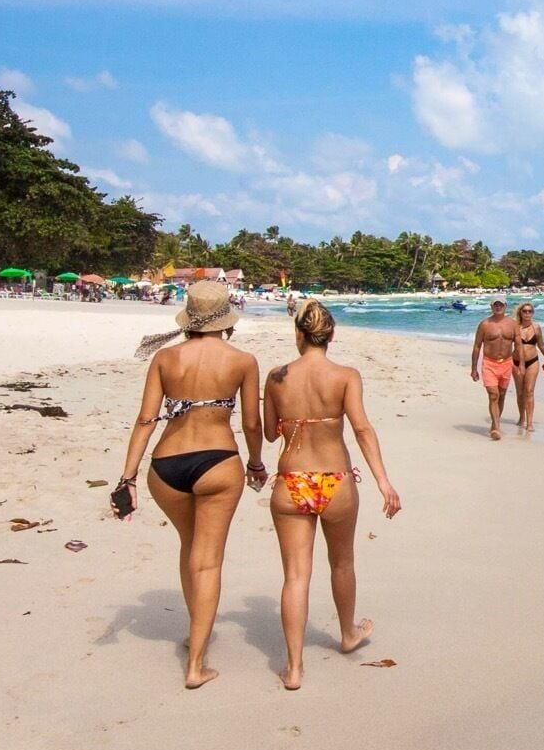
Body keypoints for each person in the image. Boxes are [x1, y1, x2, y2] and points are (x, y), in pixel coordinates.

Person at [111, 280, 264, 689]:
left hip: (166, 465)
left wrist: (127, 477)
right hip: (218, 462)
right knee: (209, 559)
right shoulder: (243, 361)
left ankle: (194, 629)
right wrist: (256, 462)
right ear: (226, 318)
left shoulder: (165, 357)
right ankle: (196, 664)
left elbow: (146, 420)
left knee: (189, 545)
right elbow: (251, 423)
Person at [261, 300, 403, 689]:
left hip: (291, 482)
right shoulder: (346, 376)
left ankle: (293, 668)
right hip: (335, 480)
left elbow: (271, 432)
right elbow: (361, 428)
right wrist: (383, 482)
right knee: (341, 563)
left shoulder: (276, 377)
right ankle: (347, 633)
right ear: (332, 335)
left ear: (299, 334)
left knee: (295, 575)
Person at [469, 298, 519, 440]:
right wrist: (474, 368)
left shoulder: (513, 324)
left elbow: (519, 345)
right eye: (496, 305)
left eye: (501, 305)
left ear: (505, 306)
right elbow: (477, 346)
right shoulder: (485, 325)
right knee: (493, 395)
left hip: (507, 363)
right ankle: (496, 427)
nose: (498, 307)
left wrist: (520, 364)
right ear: (491, 306)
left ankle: (495, 423)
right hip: (489, 363)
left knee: (502, 395)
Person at [511, 300, 544, 437]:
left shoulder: (537, 328)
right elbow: (505, 344)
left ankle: (529, 422)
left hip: (533, 362)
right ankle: (521, 417)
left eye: (530, 311)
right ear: (520, 313)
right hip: (516, 362)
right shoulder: (515, 327)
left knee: (529, 391)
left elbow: (541, 345)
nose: (527, 313)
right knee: (520, 392)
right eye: (525, 311)